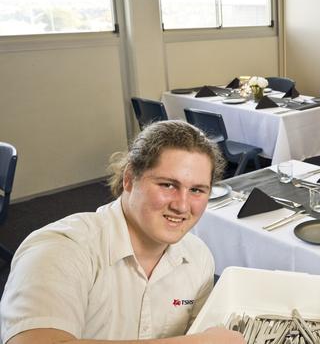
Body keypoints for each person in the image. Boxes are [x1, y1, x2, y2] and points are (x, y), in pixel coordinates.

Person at [0, 121, 244, 344]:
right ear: (129, 180)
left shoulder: (198, 257)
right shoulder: (60, 249)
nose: (181, 205)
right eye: (167, 185)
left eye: (197, 190)